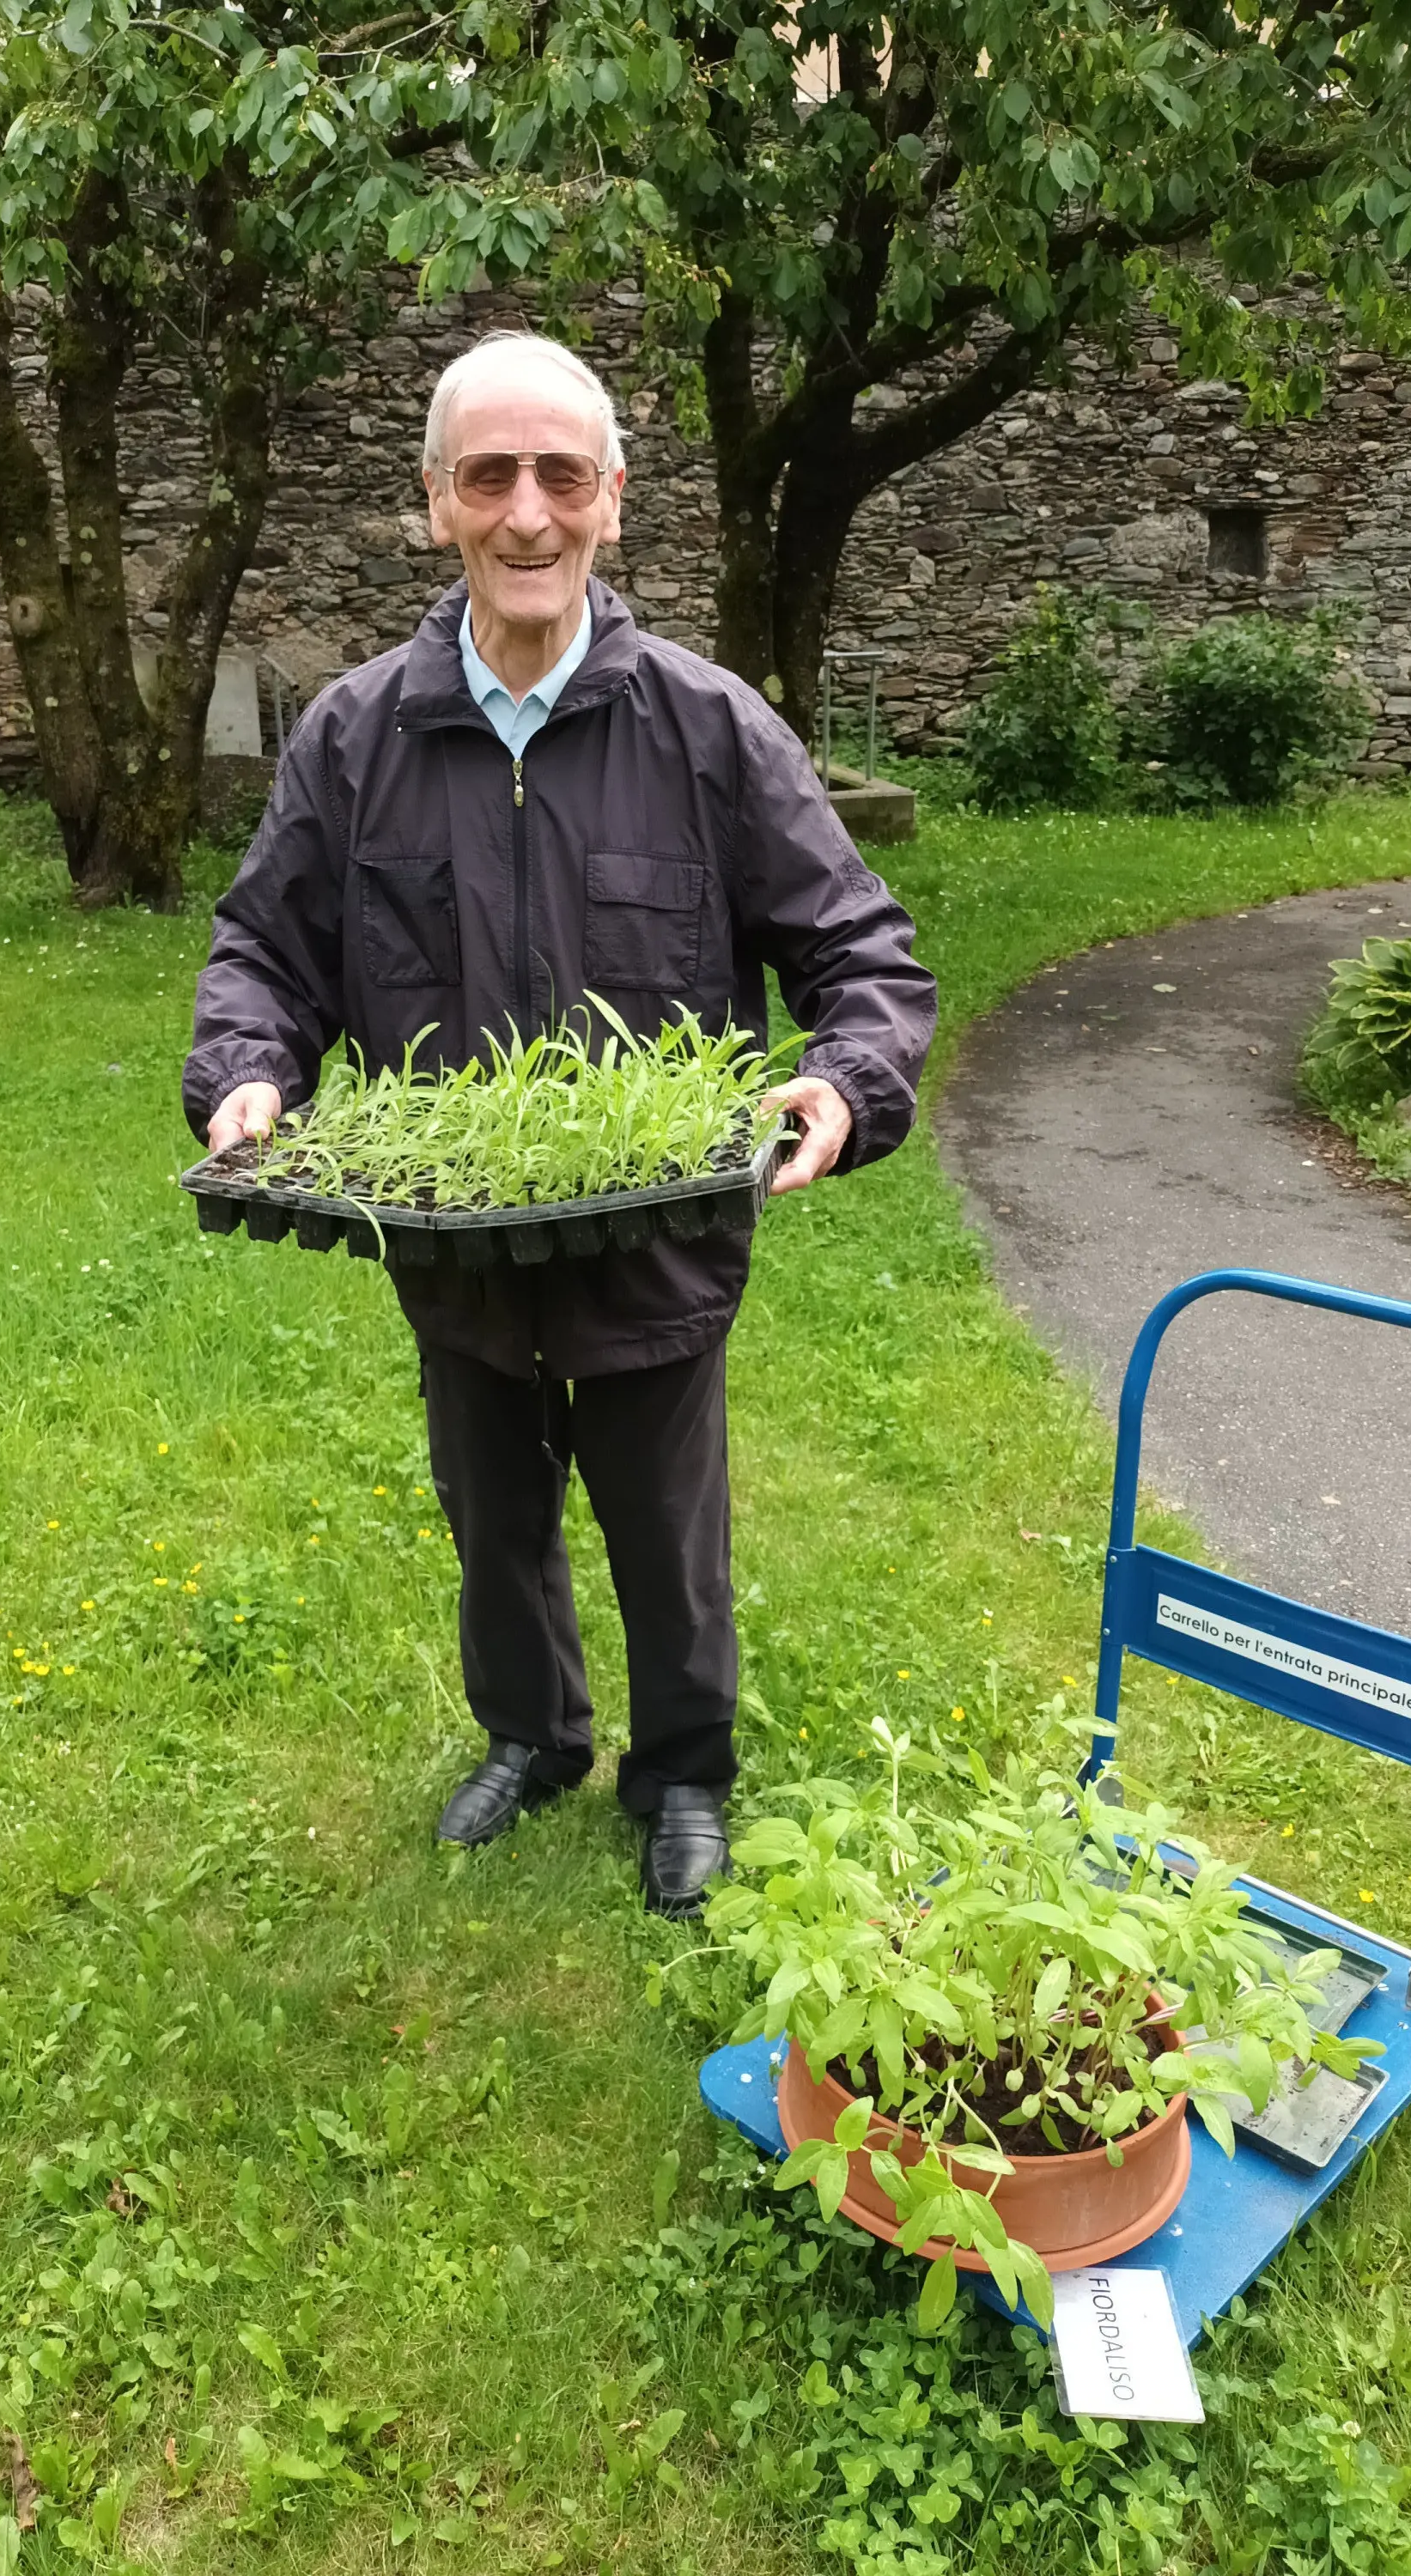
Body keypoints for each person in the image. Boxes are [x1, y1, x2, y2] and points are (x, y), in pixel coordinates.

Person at [184, 330, 936, 1914]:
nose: (526, 512)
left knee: (667, 1530)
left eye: (559, 475)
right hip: (452, 1242)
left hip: (656, 1241)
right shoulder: (358, 736)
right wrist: (247, 1068)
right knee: (493, 1513)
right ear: (436, 503)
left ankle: (683, 1772)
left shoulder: (706, 728)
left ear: (612, 498)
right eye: (489, 477)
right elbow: (265, 950)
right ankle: (531, 1737)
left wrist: (844, 1080)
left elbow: (861, 955)